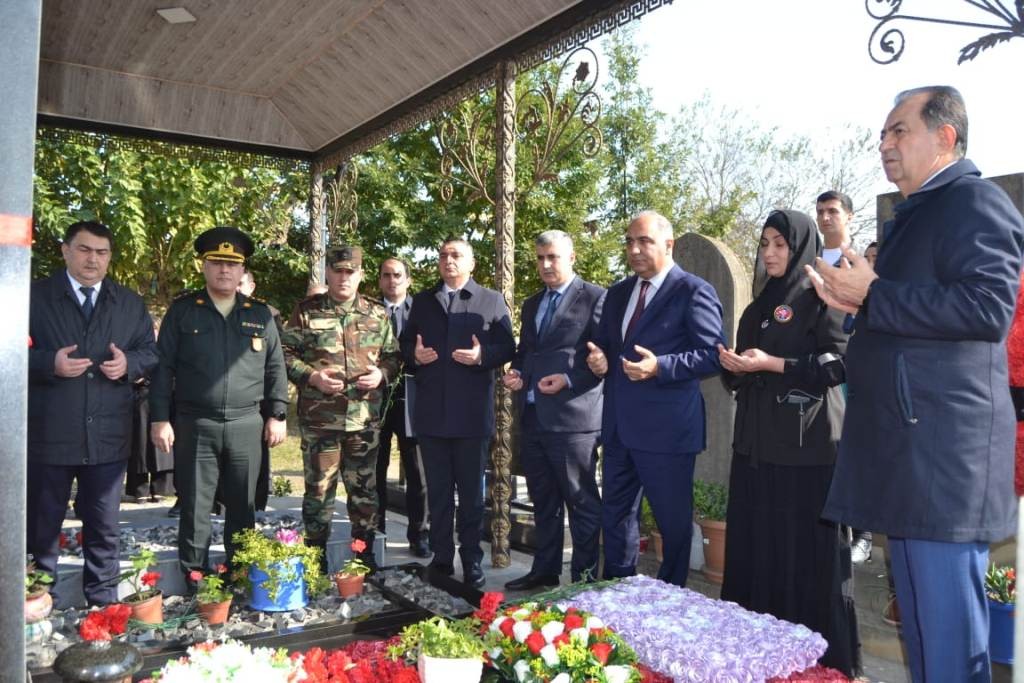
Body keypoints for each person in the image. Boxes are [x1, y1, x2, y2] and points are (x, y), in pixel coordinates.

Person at [808, 85, 1024, 682]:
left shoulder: (975, 203)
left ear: (945, 137)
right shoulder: (916, 216)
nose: (884, 144)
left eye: (898, 130)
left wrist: (873, 293)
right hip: (909, 456)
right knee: (926, 643)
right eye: (883, 134)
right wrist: (856, 299)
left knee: (951, 644)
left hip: (942, 460)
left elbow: (986, 309)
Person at [718, 210, 860, 677]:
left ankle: (819, 658)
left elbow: (835, 366)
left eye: (781, 244)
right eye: (765, 244)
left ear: (801, 247)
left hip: (806, 449)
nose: (771, 253)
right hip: (757, 448)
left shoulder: (823, 295)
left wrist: (774, 364)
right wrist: (735, 367)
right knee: (760, 548)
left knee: (806, 557)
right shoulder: (759, 305)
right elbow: (741, 372)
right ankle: (761, 646)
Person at [584, 211, 724, 587]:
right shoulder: (617, 294)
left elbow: (713, 354)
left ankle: (671, 597)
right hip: (618, 428)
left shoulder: (693, 291)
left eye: (643, 241)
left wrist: (660, 367)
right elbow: (608, 350)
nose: (634, 249)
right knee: (615, 516)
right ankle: (618, 589)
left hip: (667, 431)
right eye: (629, 242)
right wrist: (600, 361)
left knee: (672, 522)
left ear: (668, 244)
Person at [27, 220, 158, 605]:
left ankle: (103, 607)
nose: (92, 260)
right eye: (84, 250)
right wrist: (48, 363)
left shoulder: (129, 302)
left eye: (101, 253)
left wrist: (128, 365)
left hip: (106, 437)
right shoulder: (33, 297)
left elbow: (151, 353)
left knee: (104, 527)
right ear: (65, 251)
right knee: (41, 527)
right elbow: (8, 351)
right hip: (49, 434)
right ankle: (35, 603)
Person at [150, 226, 289, 577]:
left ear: (242, 270)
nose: (224, 270)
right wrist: (159, 418)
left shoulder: (260, 315)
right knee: (196, 504)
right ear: (203, 266)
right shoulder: (183, 311)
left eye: (232, 263)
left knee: (243, 505)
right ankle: (195, 575)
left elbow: (275, 367)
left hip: (246, 423)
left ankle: (239, 572)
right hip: (197, 422)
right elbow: (163, 367)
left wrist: (278, 414)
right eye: (216, 262)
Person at [399, 237, 516, 588]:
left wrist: (484, 357)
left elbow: (508, 345)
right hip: (432, 414)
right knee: (437, 493)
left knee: (470, 495)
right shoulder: (422, 301)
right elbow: (405, 344)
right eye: (444, 256)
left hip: (470, 415)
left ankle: (471, 559)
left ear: (471, 264)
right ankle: (442, 557)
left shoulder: (491, 301)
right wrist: (413, 356)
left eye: (456, 256)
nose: (449, 261)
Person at [281, 246, 400, 572]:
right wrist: (313, 376)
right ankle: (314, 563)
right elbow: (284, 354)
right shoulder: (306, 312)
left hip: (363, 422)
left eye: (351, 272)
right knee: (318, 495)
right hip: (321, 422)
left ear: (360, 275)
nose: (344, 277)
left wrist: (382, 374)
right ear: (328, 274)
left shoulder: (376, 314)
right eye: (338, 271)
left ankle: (364, 560)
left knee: (364, 494)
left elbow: (393, 356)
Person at [501, 230, 605, 589]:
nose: (546, 264)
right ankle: (544, 571)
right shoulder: (532, 304)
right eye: (541, 258)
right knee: (543, 503)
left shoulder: (594, 298)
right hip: (533, 418)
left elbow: (601, 360)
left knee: (581, 504)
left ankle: (584, 579)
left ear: (571, 258)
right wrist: (516, 372)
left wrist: (569, 380)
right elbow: (527, 351)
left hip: (574, 421)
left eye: (554, 257)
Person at [815, 189, 872, 565]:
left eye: (833, 211)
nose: (825, 218)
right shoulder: (810, 261)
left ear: (849, 217)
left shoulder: (862, 263)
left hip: (856, 369)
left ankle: (863, 534)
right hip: (814, 371)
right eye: (820, 211)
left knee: (858, 449)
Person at [375, 257, 430, 558]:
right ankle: (376, 531)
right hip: (377, 398)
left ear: (408, 280)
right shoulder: (369, 310)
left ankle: (419, 534)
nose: (392, 280)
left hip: (413, 397)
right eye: (386, 275)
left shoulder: (421, 310)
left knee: (417, 472)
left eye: (398, 275)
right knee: (375, 469)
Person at [237, 268, 283, 512]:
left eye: (241, 283)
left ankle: (257, 508)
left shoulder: (267, 315)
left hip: (259, 401)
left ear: (251, 287)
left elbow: (276, 364)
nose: (236, 287)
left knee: (256, 462)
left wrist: (276, 412)